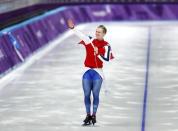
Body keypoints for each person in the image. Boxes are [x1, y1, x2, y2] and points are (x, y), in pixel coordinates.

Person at [67, 19, 114, 126]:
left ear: (104, 34)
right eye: (96, 31)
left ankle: (94, 115)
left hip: (98, 73)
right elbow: (81, 35)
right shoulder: (90, 41)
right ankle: (88, 115)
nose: (97, 33)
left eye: (99, 32)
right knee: (87, 94)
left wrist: (98, 53)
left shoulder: (106, 45)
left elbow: (106, 59)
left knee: (95, 94)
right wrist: (72, 28)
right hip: (87, 71)